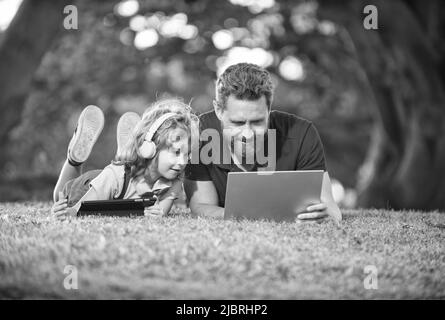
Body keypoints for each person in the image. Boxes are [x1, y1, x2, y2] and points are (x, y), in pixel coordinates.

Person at [184, 63, 342, 222]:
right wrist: (255, 217)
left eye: (257, 122)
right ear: (218, 110)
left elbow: (329, 207)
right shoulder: (200, 133)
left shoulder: (301, 133)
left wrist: (323, 216)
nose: (248, 134)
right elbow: (201, 206)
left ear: (269, 110)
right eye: (238, 123)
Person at [52, 98, 197, 218]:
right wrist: (67, 212)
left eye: (187, 155)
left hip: (117, 184)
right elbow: (77, 211)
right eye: (176, 152)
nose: (183, 162)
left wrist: (156, 214)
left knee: (118, 179)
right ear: (149, 148)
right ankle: (74, 160)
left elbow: (160, 213)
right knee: (60, 197)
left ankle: (124, 155)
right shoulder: (115, 175)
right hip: (89, 186)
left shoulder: (174, 181)